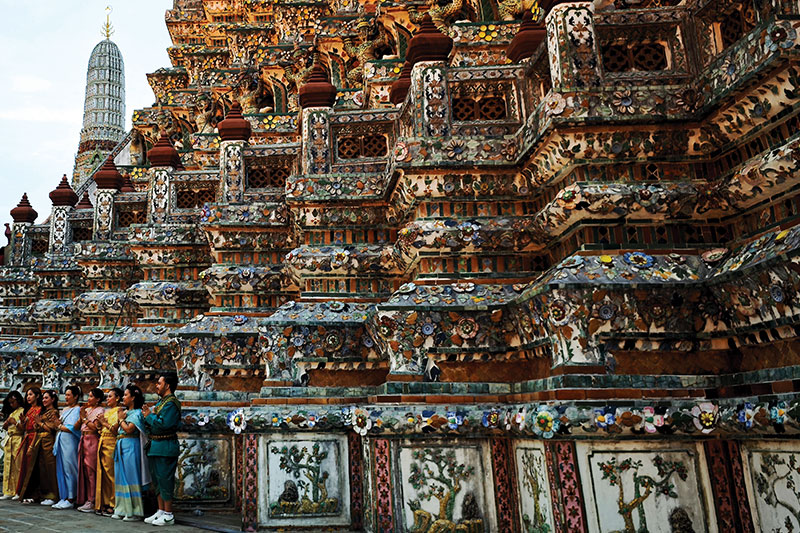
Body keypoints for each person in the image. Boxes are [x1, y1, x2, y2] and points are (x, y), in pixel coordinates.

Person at [143, 374, 181, 527]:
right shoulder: (161, 402)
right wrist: (147, 416)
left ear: (168, 385)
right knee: (157, 481)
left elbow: (164, 424)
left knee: (165, 480)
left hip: (166, 445)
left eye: (159, 383)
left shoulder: (171, 404)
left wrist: (149, 416)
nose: (156, 386)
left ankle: (168, 513)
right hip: (155, 445)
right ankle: (160, 510)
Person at [112, 384, 150, 521]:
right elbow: (116, 429)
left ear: (133, 397)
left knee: (131, 476)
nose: (123, 398)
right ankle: (121, 508)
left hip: (131, 445)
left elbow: (129, 429)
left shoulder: (137, 413)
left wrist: (121, 419)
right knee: (120, 477)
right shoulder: (126, 412)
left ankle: (134, 510)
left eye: (126, 395)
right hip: (121, 444)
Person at [17, 389, 59, 505]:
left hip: (48, 440)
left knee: (50, 468)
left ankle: (53, 494)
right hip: (39, 440)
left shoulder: (54, 412)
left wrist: (40, 423)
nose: (44, 400)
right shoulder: (44, 412)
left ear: (53, 399)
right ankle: (42, 494)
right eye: (43, 398)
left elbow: (51, 428)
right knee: (41, 468)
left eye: (46, 398)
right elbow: (37, 428)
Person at [52, 386, 82, 509]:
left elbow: (72, 428)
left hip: (70, 442)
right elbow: (58, 425)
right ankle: (64, 496)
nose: (67, 397)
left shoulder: (78, 410)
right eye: (66, 394)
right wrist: (57, 425)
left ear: (76, 396)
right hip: (61, 440)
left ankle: (72, 497)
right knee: (62, 469)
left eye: (69, 395)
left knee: (71, 468)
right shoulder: (64, 410)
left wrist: (59, 426)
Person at [76, 388, 105, 512]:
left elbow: (95, 427)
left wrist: (84, 419)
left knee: (91, 470)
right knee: (85, 471)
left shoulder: (100, 411)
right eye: (89, 396)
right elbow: (77, 426)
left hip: (92, 440)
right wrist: (81, 416)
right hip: (83, 439)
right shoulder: (87, 410)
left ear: (98, 399)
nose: (89, 399)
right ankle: (87, 498)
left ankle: (92, 500)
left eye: (92, 396)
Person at [95, 387, 122, 516]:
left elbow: (115, 430)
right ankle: (104, 502)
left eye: (110, 396)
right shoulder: (107, 411)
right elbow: (101, 430)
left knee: (111, 474)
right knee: (103, 475)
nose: (108, 399)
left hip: (112, 443)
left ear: (117, 398)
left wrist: (103, 423)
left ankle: (113, 503)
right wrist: (99, 425)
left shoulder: (120, 411)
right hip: (103, 441)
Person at [1, 391, 25, 500]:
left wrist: (15, 422)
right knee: (8, 464)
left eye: (13, 402)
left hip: (18, 438)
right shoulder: (12, 413)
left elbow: (23, 428)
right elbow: (6, 428)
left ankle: (17, 490)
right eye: (10, 403)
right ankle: (7, 490)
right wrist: (6, 425)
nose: (11, 404)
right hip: (9, 438)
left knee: (17, 465)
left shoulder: (22, 411)